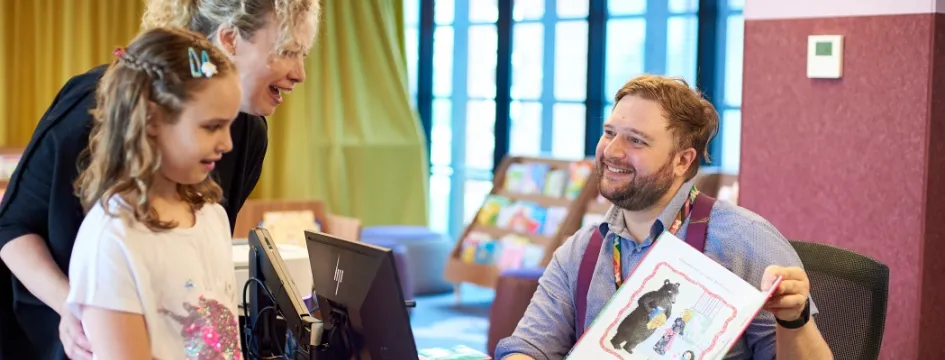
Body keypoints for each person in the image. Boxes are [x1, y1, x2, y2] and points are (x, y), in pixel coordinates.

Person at [0, 0, 321, 359]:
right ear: (230, 39)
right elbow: (13, 227)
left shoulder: (245, 141)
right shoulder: (93, 114)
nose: (299, 73)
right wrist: (76, 308)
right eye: (288, 51)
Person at [493, 75, 834, 360]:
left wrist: (795, 320)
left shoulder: (743, 239)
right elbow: (530, 347)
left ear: (682, 161)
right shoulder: (582, 251)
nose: (611, 151)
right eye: (610, 132)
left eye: (636, 141)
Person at [66, 26, 243, 359]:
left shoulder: (212, 216)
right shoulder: (112, 240)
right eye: (211, 126)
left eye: (229, 125)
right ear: (151, 120)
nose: (228, 143)